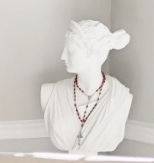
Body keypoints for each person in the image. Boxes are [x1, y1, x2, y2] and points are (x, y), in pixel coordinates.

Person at [41, 19, 131, 153]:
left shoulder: (120, 97)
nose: (62, 56)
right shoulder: (50, 93)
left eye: (70, 51)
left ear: (93, 52)